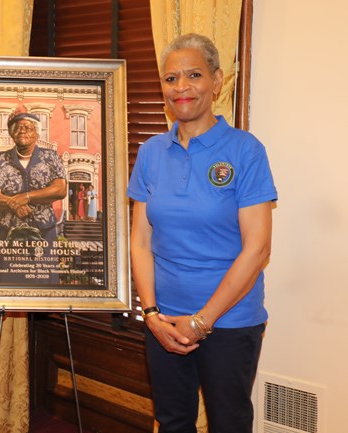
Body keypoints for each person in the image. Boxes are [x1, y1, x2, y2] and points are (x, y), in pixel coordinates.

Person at [127, 33, 277, 433]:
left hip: (229, 319)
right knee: (173, 421)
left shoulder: (245, 150)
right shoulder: (151, 152)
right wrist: (152, 313)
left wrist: (202, 321)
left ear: (217, 80)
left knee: (229, 423)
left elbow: (258, 248)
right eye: (171, 78)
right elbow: (140, 241)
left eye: (193, 75)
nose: (181, 87)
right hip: (165, 320)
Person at [0, 112, 66, 283]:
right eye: (17, 128)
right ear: (11, 133)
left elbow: (60, 189)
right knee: (3, 284)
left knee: (44, 285)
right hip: (7, 232)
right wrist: (13, 204)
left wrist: (27, 197)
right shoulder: (0, 159)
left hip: (43, 231)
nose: (22, 131)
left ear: (37, 133)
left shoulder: (51, 157)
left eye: (27, 128)